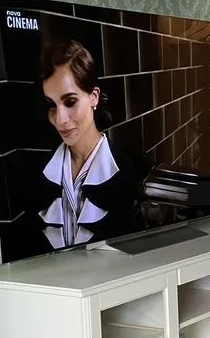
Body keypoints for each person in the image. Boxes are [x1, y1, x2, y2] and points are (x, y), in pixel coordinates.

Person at [27, 39, 136, 251]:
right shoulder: (40, 171)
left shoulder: (123, 170)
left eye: (70, 102)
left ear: (93, 97)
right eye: (51, 105)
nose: (60, 119)